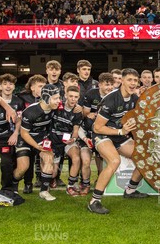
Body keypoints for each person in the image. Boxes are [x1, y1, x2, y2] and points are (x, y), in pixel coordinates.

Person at [88, 68, 147, 214]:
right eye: (129, 80)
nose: (133, 83)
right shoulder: (110, 99)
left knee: (143, 155)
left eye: (135, 80)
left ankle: (130, 190)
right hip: (102, 135)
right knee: (114, 161)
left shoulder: (134, 99)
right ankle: (94, 201)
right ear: (122, 81)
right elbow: (97, 127)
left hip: (120, 135)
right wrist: (121, 131)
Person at [12, 84, 61, 201]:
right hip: (25, 139)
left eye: (59, 98)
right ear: (46, 97)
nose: (58, 101)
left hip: (41, 138)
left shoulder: (55, 109)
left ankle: (44, 191)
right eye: (55, 98)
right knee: (23, 167)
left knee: (49, 159)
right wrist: (36, 146)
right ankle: (12, 186)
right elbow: (24, 133)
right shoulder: (31, 111)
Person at [49, 86, 84, 197]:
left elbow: (75, 130)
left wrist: (73, 139)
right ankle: (51, 179)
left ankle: (70, 185)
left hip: (68, 140)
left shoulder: (78, 112)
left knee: (76, 157)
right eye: (71, 96)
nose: (73, 99)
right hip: (54, 141)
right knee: (52, 172)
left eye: (76, 97)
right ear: (65, 96)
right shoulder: (56, 106)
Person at [82, 72, 115, 187]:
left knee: (102, 154)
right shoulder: (91, 94)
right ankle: (89, 179)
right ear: (99, 84)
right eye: (107, 84)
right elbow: (85, 112)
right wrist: (90, 114)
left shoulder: (115, 95)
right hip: (91, 128)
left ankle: (103, 176)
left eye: (111, 84)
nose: (109, 87)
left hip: (108, 127)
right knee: (93, 155)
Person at [17, 74, 47, 194]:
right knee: (27, 160)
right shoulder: (22, 97)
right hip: (26, 134)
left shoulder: (46, 99)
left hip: (40, 135)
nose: (42, 89)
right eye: (40, 86)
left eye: (44, 86)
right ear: (32, 87)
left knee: (44, 157)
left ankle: (42, 181)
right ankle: (27, 183)